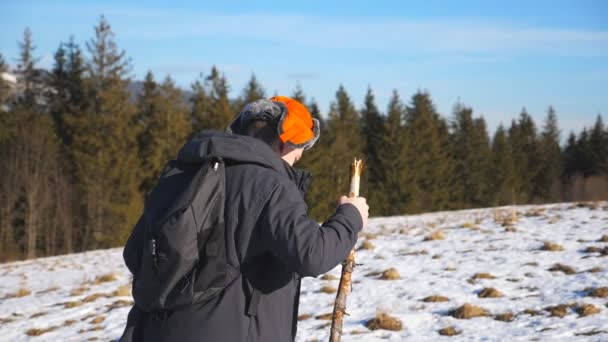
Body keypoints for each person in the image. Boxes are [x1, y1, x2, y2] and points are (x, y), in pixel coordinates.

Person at [119, 96, 368, 342]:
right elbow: (312, 253)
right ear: (286, 143)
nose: (296, 162)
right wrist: (351, 216)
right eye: (298, 154)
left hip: (160, 329)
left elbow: (134, 253)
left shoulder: (186, 172)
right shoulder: (269, 184)